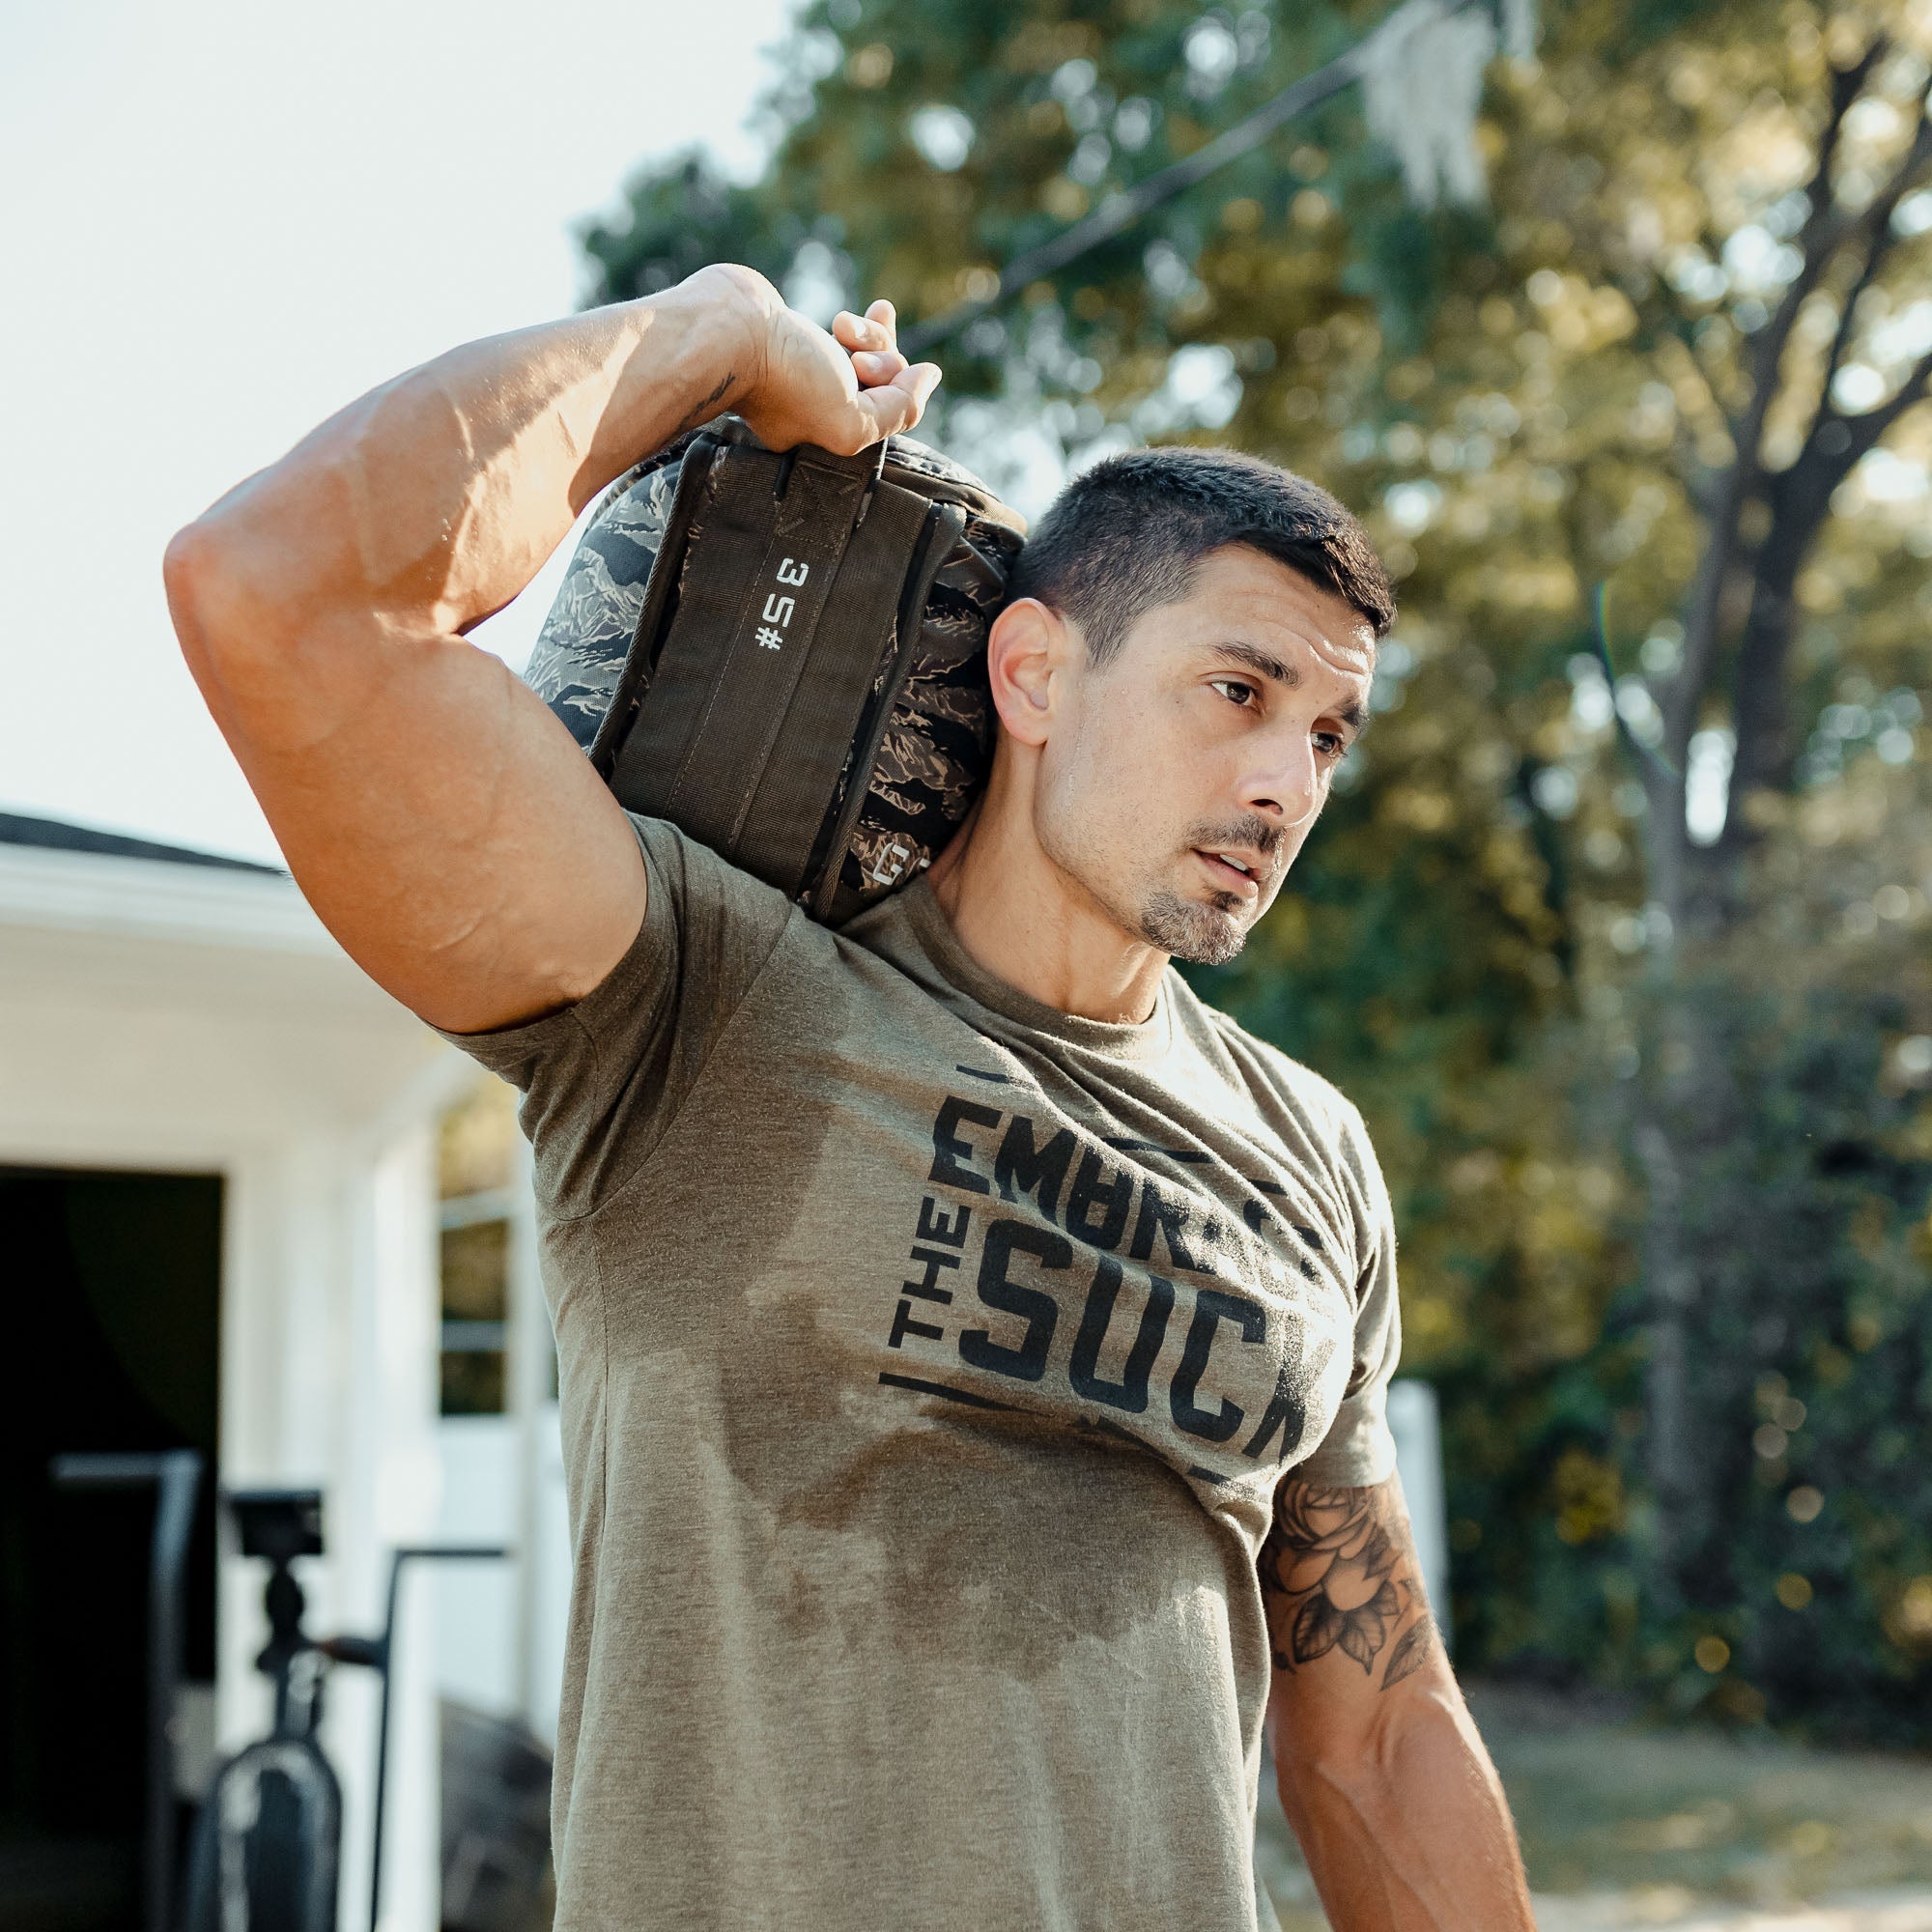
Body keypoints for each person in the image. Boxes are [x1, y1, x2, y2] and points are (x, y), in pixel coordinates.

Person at [165, 263, 1536, 1931]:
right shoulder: (699, 1001)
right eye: (1238, 693)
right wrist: (728, 332)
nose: (1281, 782)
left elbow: (1380, 1734)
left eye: (1329, 734)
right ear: (1032, 675)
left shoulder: (1307, 1150)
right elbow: (276, 592)